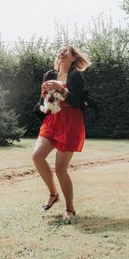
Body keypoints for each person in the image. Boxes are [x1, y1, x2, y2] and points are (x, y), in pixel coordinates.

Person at [32, 45, 91, 221]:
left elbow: (76, 101)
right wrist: (45, 98)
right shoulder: (49, 75)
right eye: (60, 50)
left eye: (66, 50)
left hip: (71, 122)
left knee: (60, 168)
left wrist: (60, 87)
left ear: (73, 57)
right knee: (37, 156)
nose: (61, 52)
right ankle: (53, 193)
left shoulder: (75, 76)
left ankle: (70, 209)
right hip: (52, 120)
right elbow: (43, 99)